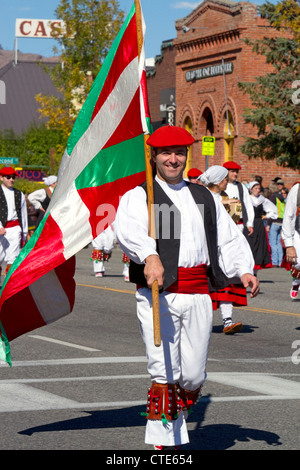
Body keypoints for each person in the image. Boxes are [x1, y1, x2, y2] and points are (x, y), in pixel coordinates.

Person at [115, 125, 259, 450]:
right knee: (165, 370)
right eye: (166, 152)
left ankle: (173, 417)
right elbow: (129, 230)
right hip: (160, 294)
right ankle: (165, 445)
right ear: (153, 156)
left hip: (197, 294)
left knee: (192, 375)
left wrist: (244, 270)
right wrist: (149, 255)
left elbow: (227, 237)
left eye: (179, 152)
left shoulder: (203, 196)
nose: (173, 159)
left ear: (186, 156)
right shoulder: (145, 195)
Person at [200, 165, 253, 334]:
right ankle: (202, 323)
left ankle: (227, 320)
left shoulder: (220, 196)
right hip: (209, 250)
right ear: (217, 181)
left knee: (225, 285)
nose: (226, 182)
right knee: (206, 289)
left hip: (222, 249)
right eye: (224, 179)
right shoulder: (205, 198)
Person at [0, 167, 28, 277]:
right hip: (2, 228)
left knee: (13, 259)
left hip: (15, 228)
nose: (11, 179)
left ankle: (8, 289)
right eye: (8, 177)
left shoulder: (19, 194)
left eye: (13, 177)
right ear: (2, 178)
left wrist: (24, 234)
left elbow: (23, 215)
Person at [248, 181, 277, 274]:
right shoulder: (247, 199)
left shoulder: (262, 199)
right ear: (251, 189)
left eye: (258, 189)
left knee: (259, 247)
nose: (257, 190)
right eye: (255, 189)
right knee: (250, 246)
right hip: (249, 224)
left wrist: (267, 216)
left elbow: (273, 210)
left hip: (259, 224)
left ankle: (255, 271)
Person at [223, 161, 254, 237]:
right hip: (223, 222)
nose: (235, 174)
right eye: (232, 171)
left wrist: (250, 223)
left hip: (238, 223)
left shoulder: (241, 187)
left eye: (236, 172)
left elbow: (248, 205)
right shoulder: (220, 185)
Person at [281, 182, 300, 299]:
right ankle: (296, 281)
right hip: (298, 231)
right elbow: (288, 215)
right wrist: (289, 244)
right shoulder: (297, 189)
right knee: (298, 263)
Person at [266, 182, 286, 267]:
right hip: (281, 221)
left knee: (272, 242)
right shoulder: (282, 197)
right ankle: (280, 262)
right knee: (278, 242)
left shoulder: (273, 198)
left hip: (274, 221)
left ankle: (274, 262)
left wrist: (268, 224)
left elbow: (272, 212)